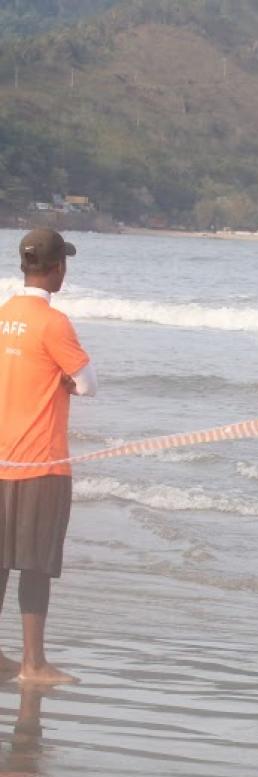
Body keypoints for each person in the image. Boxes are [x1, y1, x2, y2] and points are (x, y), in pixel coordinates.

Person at [0, 229, 95, 685]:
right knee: (35, 563)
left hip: (1, 458)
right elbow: (87, 383)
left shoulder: (4, 313)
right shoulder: (53, 322)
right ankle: (33, 664)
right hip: (41, 462)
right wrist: (63, 382)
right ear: (57, 268)